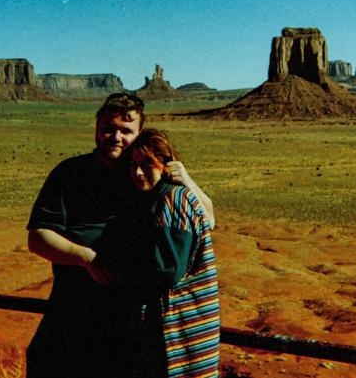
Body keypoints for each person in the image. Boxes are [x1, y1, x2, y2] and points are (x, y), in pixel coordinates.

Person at [26, 94, 213, 378]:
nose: (115, 137)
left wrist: (187, 180)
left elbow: (208, 219)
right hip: (71, 314)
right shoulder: (70, 174)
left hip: (128, 325)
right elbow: (38, 237)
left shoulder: (145, 173)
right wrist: (88, 258)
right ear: (96, 129)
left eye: (126, 131)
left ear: (139, 134)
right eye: (108, 128)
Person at [95, 129, 220, 378]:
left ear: (166, 166)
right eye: (132, 165)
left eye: (147, 165)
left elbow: (167, 271)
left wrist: (117, 267)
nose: (137, 173)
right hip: (170, 332)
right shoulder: (156, 197)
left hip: (179, 334)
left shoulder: (173, 200)